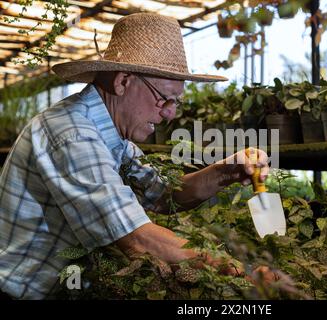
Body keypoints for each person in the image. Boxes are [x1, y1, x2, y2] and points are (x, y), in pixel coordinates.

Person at [0, 12, 270, 299]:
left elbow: (164, 194)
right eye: (164, 98)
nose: (170, 113)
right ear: (123, 81)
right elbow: (138, 239)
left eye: (176, 102)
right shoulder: (72, 134)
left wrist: (229, 170)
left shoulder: (114, 137)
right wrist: (242, 272)